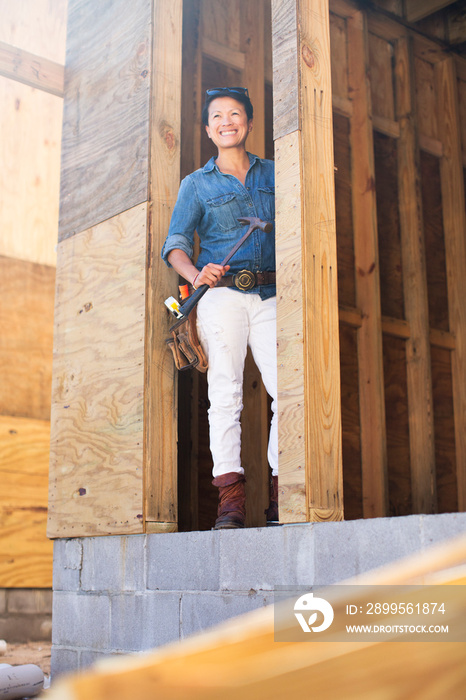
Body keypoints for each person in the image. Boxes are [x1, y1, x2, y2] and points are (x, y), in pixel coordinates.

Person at [161, 87, 278, 529]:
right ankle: (230, 501)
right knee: (225, 394)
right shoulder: (196, 184)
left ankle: (281, 494)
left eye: (235, 114)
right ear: (209, 130)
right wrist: (195, 275)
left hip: (270, 295)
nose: (227, 121)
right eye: (217, 116)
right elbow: (174, 243)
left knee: (289, 391)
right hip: (222, 296)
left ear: (248, 122)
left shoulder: (275, 174)